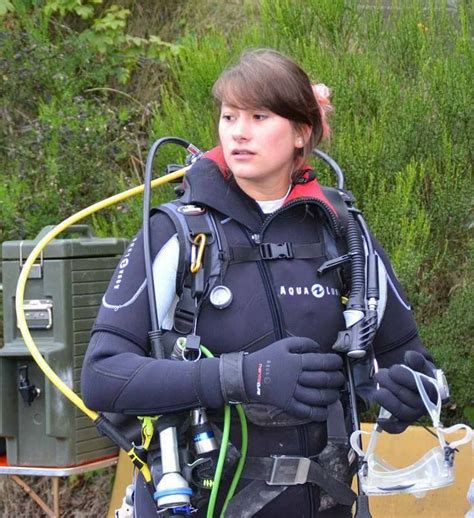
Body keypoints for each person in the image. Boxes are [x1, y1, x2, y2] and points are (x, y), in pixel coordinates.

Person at [81, 49, 439, 517]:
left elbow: (415, 365)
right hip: (199, 499)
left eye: (259, 116)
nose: (238, 131)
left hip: (324, 501)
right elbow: (102, 376)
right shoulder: (177, 232)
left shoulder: (343, 231)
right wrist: (244, 376)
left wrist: (417, 394)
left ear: (301, 132)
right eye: (229, 116)